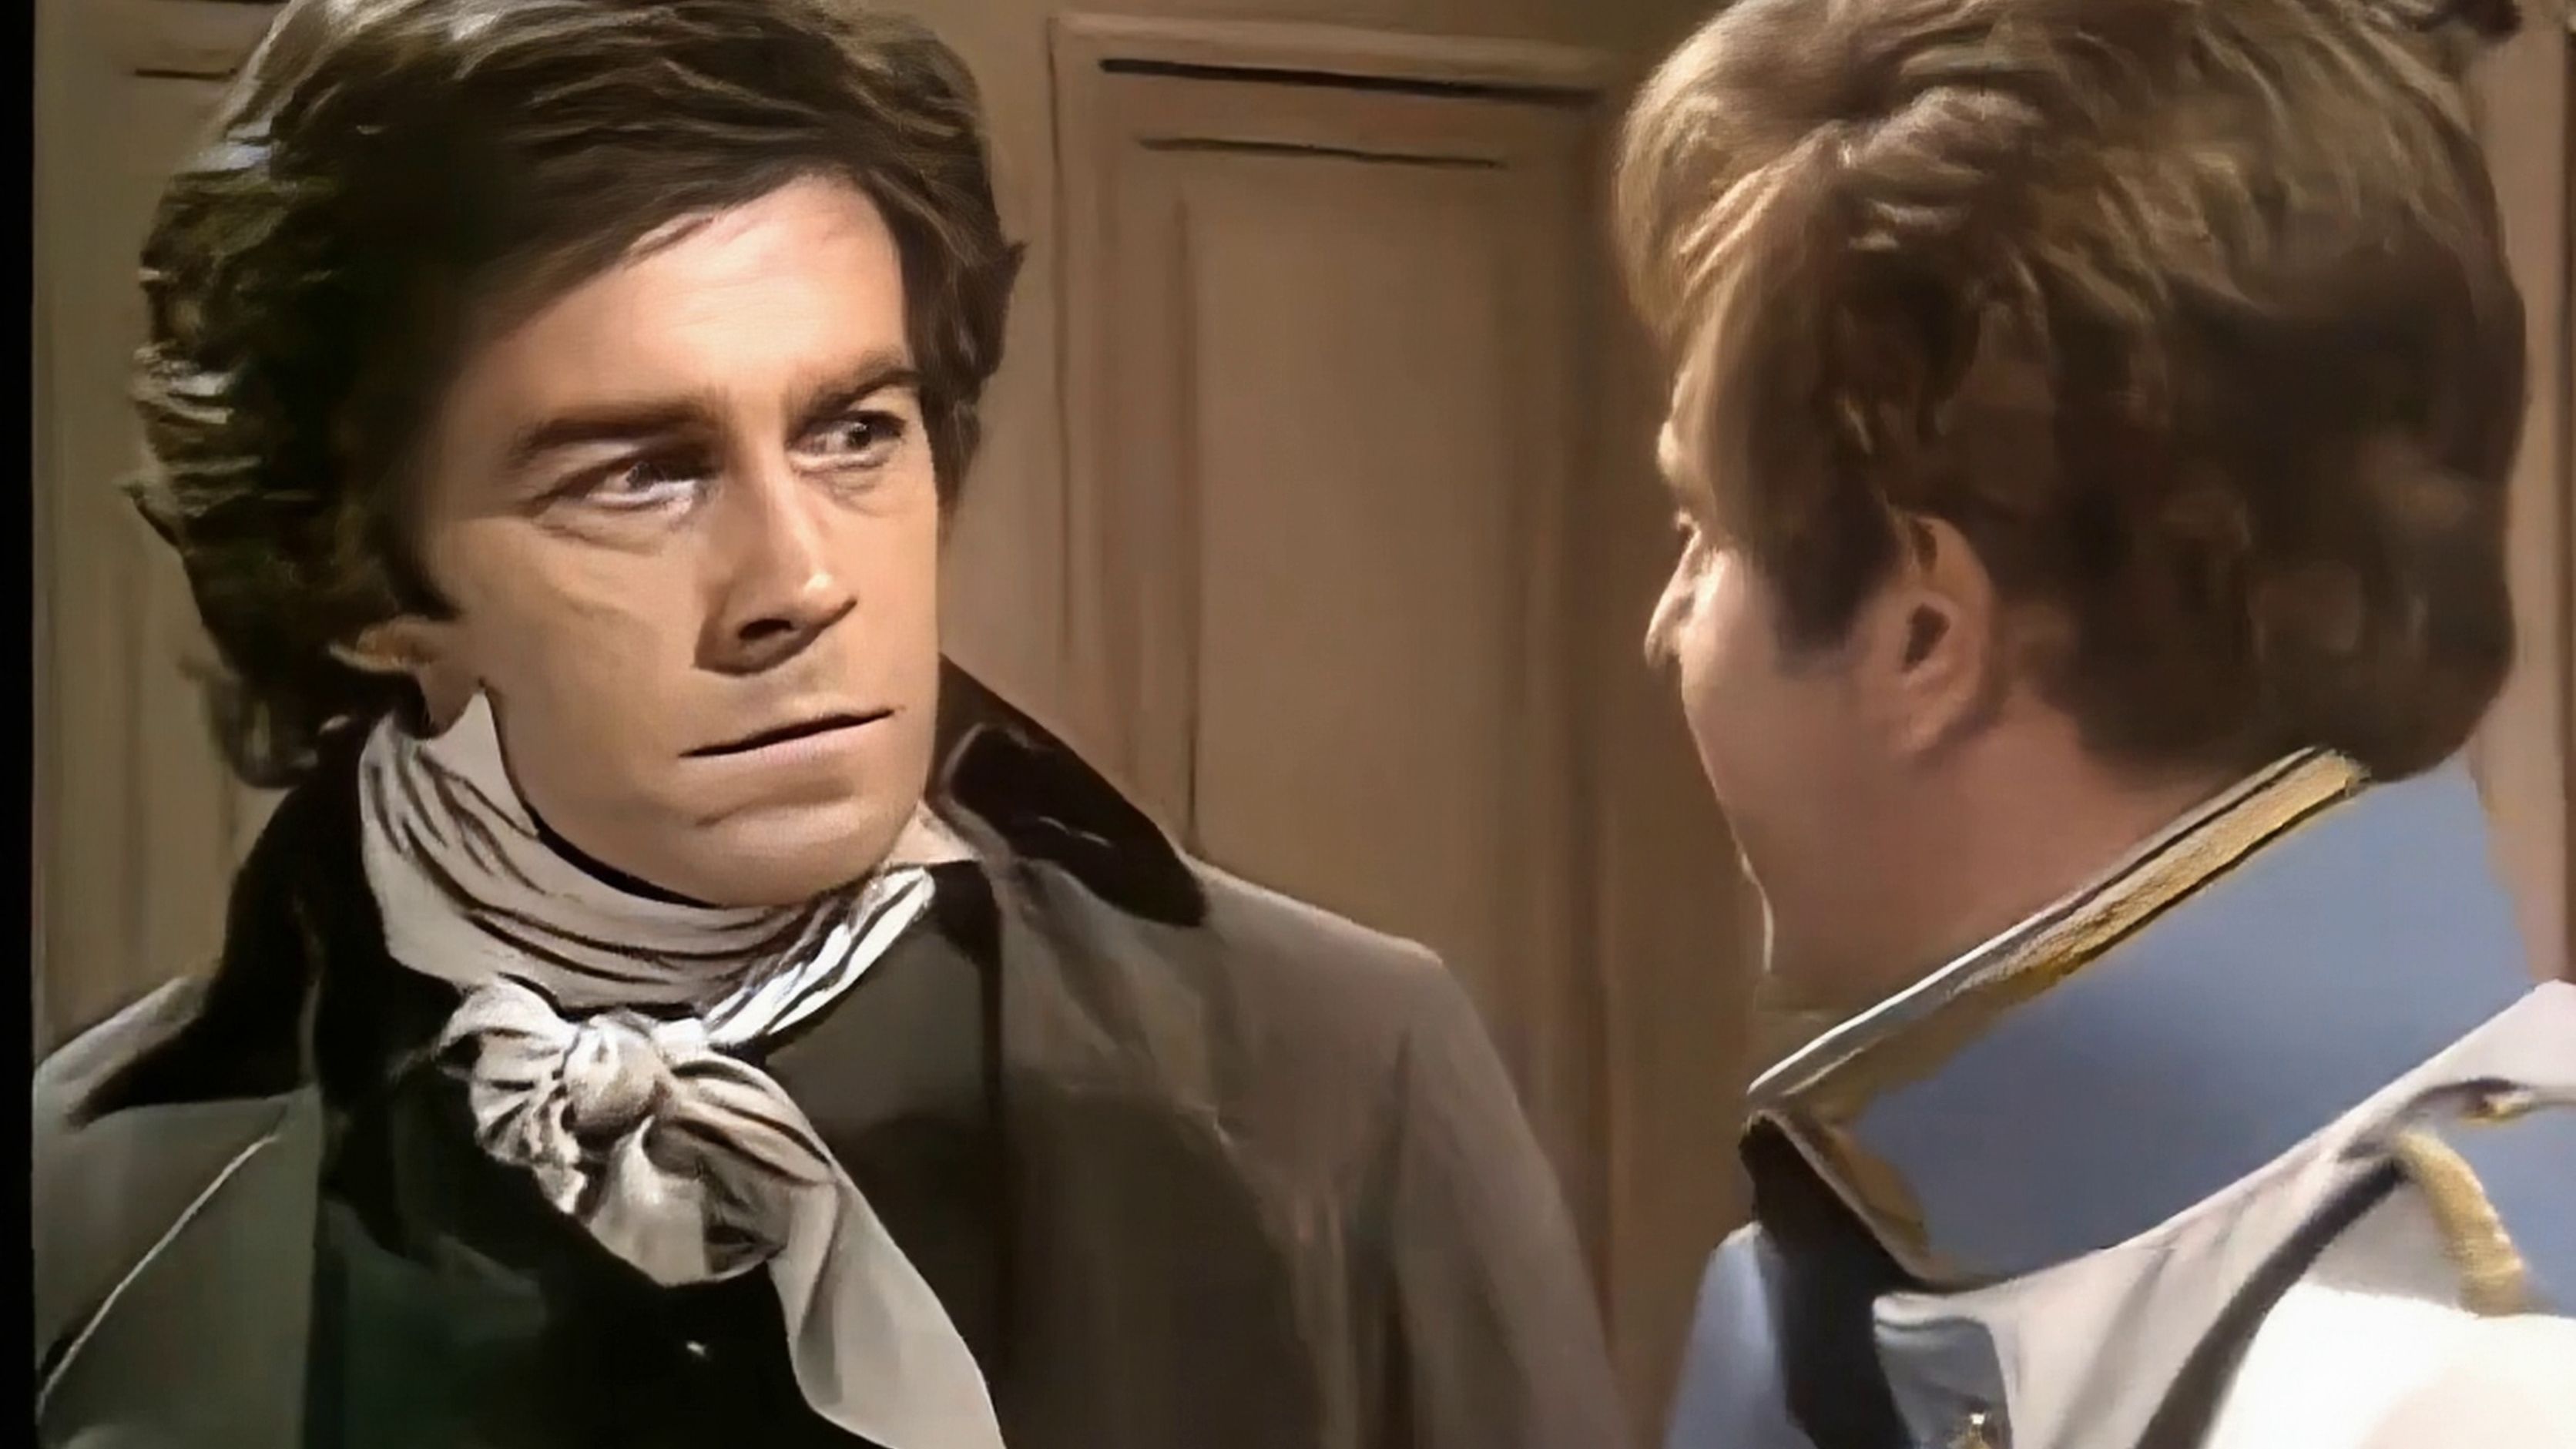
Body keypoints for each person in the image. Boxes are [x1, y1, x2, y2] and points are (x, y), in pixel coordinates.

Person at [29, 2, 1630, 1447]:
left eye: (855, 431)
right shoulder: (92, 1208)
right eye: (639, 474)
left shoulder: (1334, 1083)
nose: (798, 582)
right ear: (357, 582)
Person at [1611, 0, 2576, 1443]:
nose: (1667, 622)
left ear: (1923, 635)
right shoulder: (1845, 1294)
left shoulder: (2470, 1390)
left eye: (1703, 533)